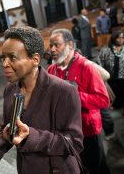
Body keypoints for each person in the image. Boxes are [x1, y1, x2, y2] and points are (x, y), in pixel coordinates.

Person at [0, 26, 83, 174]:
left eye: (12, 57)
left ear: (35, 59)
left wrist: (31, 136)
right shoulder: (10, 89)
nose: (5, 64)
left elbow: (74, 143)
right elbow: (7, 128)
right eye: (3, 58)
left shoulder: (63, 91)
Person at [47, 29, 110, 174]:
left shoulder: (86, 67)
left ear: (70, 44)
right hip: (65, 132)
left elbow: (103, 100)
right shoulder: (51, 69)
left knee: (97, 168)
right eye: (51, 46)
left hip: (87, 130)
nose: (52, 49)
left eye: (57, 45)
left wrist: (74, 96)